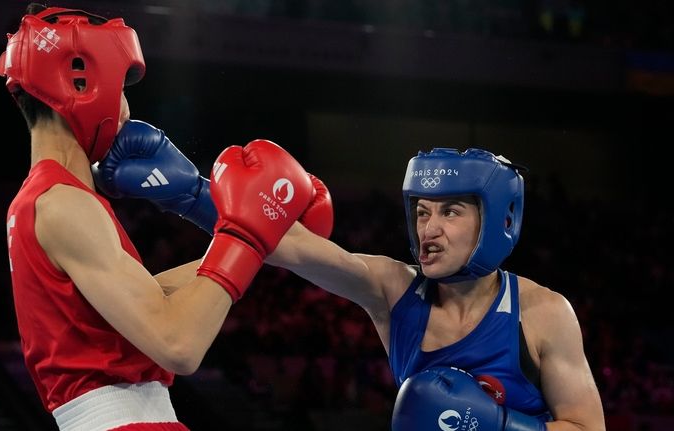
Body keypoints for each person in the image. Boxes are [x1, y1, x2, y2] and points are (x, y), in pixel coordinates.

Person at [103, 146, 605, 429]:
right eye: (421, 212)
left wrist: (493, 426)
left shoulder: (541, 312)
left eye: (450, 211)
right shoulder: (393, 288)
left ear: (499, 220)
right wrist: (191, 193)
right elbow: (288, 242)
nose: (429, 230)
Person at [0, 4, 317, 430]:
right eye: (121, 88)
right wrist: (246, 236)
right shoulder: (63, 204)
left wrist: (256, 239)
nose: (126, 107)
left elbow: (151, 298)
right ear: (81, 81)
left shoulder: (39, 200)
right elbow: (178, 343)